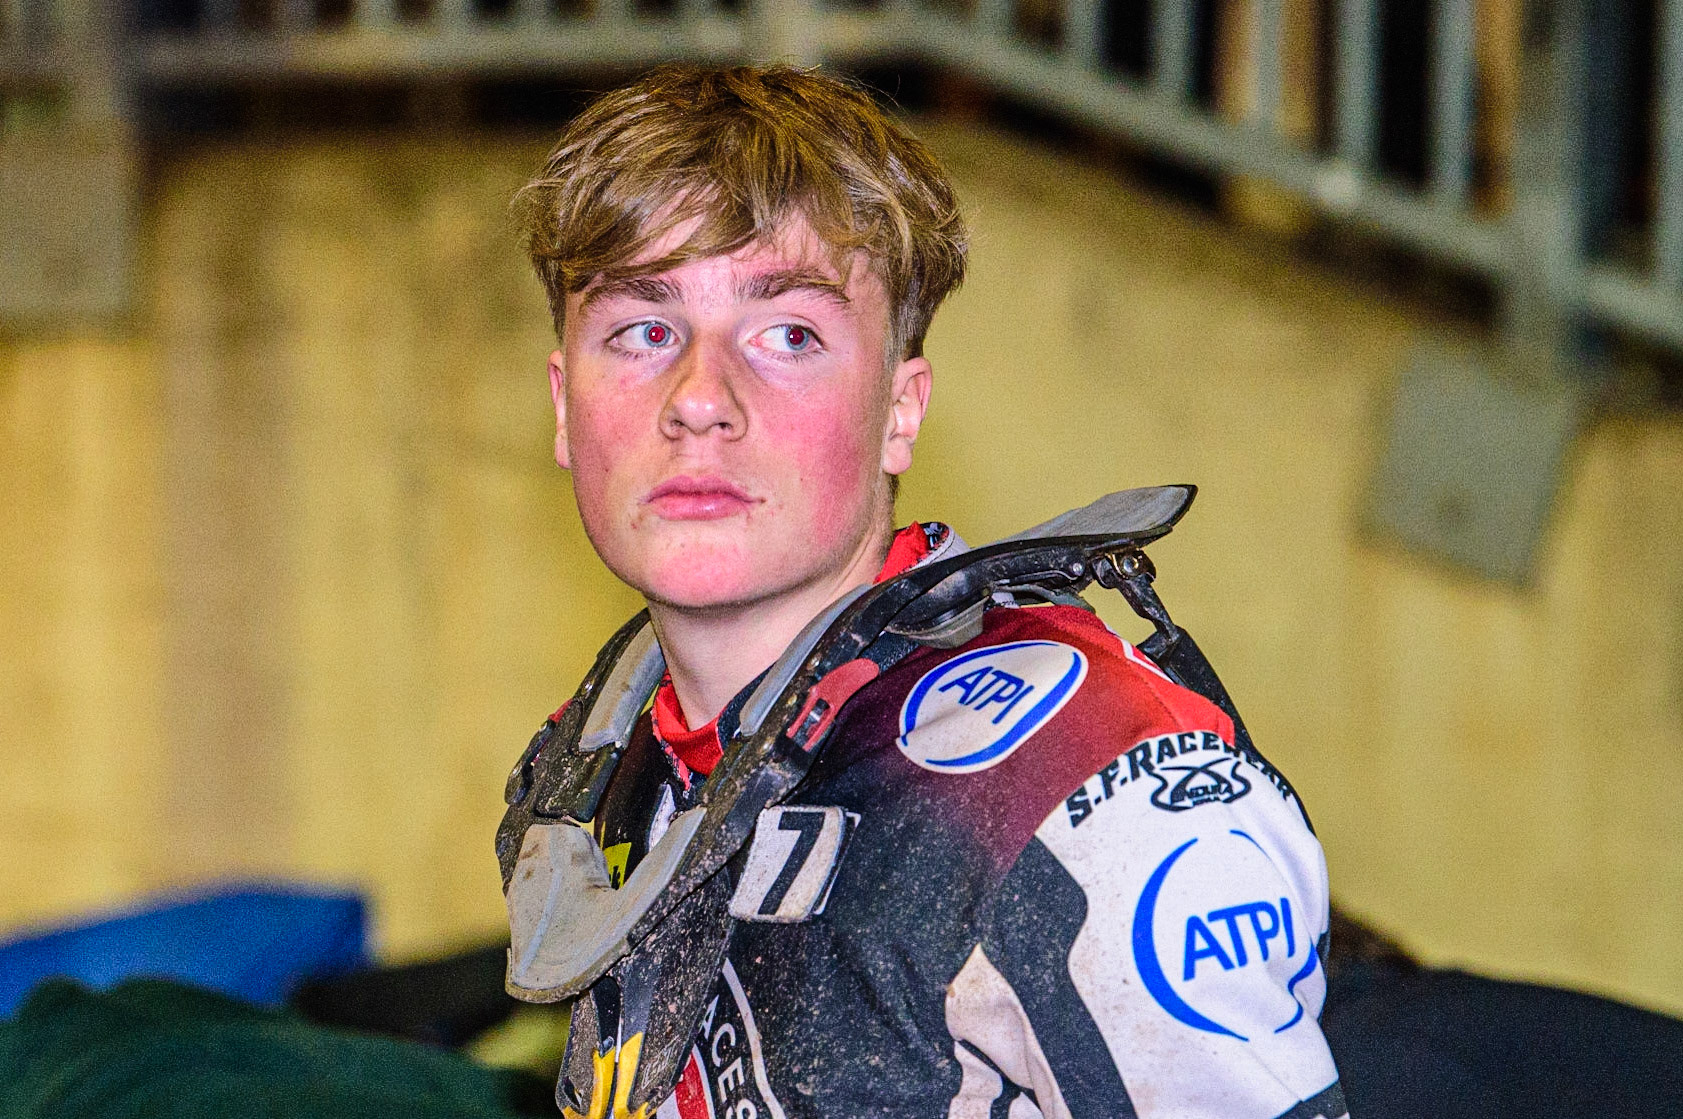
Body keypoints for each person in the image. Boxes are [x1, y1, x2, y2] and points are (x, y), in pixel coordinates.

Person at [501, 63, 1347, 1119]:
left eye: (789, 335)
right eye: (644, 330)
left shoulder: (1081, 789)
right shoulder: (607, 758)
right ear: (564, 405)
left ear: (901, 411)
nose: (700, 400)